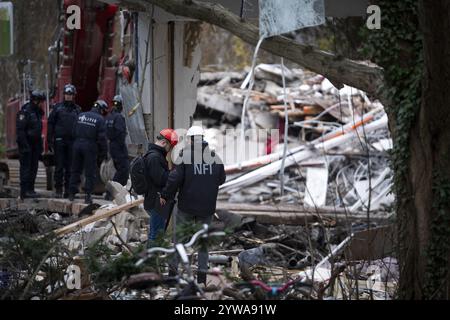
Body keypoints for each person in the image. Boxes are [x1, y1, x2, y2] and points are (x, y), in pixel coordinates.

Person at [160, 125, 226, 285]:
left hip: (186, 206)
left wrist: (165, 195)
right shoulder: (215, 157)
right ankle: (202, 277)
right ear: (202, 139)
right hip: (207, 208)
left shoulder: (185, 156)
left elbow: (174, 179)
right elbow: (221, 179)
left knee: (179, 240)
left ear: (190, 139)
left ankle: (173, 276)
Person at [68, 100, 108, 204]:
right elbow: (102, 139)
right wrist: (103, 154)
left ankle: (71, 194)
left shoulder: (81, 115)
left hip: (77, 145)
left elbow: (72, 131)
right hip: (90, 146)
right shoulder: (100, 119)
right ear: (100, 109)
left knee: (75, 170)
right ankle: (88, 195)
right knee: (90, 172)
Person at [143, 128, 178, 243]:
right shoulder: (155, 157)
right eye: (170, 147)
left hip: (156, 200)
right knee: (156, 236)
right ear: (164, 143)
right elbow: (161, 179)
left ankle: (152, 258)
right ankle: (153, 260)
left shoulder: (155, 155)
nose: (170, 150)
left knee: (155, 233)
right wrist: (174, 173)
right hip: (157, 201)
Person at [47, 84, 81, 198]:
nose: (68, 96)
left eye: (70, 94)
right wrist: (49, 139)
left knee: (70, 167)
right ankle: (58, 189)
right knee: (59, 166)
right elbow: (50, 123)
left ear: (73, 96)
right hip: (59, 140)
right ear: (64, 95)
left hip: (72, 141)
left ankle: (68, 190)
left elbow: (81, 126)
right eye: (67, 94)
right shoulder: (57, 108)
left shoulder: (77, 109)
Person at [16, 90, 46, 199]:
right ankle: (24, 191)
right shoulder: (25, 112)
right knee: (26, 168)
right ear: (36, 101)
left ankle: (31, 189)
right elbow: (20, 131)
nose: (43, 104)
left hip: (35, 145)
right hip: (26, 145)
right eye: (41, 101)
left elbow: (38, 131)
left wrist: (40, 147)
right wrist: (24, 146)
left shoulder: (37, 112)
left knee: (34, 167)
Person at [104, 95, 129, 200]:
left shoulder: (110, 117)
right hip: (118, 146)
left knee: (121, 169)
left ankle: (117, 192)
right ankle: (111, 192)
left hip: (112, 145)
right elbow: (120, 132)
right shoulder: (118, 117)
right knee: (123, 169)